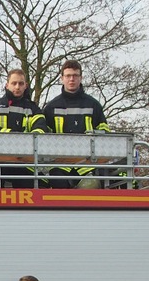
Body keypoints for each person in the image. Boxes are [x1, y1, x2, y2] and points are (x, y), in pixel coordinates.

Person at [42, 60, 110, 188]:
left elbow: (104, 131)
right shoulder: (51, 107)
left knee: (96, 184)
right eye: (68, 76)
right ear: (62, 78)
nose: (71, 79)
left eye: (75, 75)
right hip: (61, 162)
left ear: (81, 78)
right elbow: (45, 136)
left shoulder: (93, 105)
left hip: (87, 163)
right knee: (57, 182)